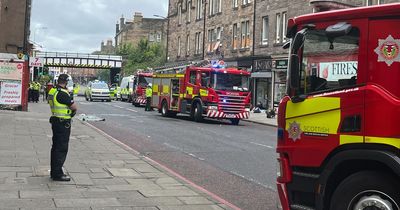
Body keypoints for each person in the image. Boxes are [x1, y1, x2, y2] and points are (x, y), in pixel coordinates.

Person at [47, 74, 77, 181]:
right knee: (61, 148)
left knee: (55, 148)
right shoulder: (62, 93)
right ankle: (57, 174)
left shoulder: (52, 91)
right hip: (63, 123)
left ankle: (54, 171)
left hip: (55, 121)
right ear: (66, 82)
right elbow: (74, 106)